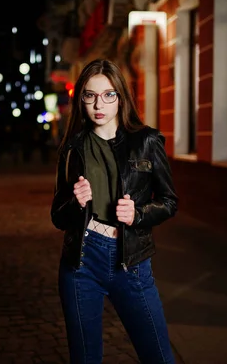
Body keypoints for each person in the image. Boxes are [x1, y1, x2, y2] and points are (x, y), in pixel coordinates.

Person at [51, 59, 178, 363]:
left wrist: (138, 214)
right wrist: (75, 202)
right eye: (90, 95)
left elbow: (169, 201)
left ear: (121, 97)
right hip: (82, 263)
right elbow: (58, 215)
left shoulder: (146, 141)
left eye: (108, 95)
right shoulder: (72, 148)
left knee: (159, 357)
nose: (99, 104)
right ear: (80, 98)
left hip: (131, 262)